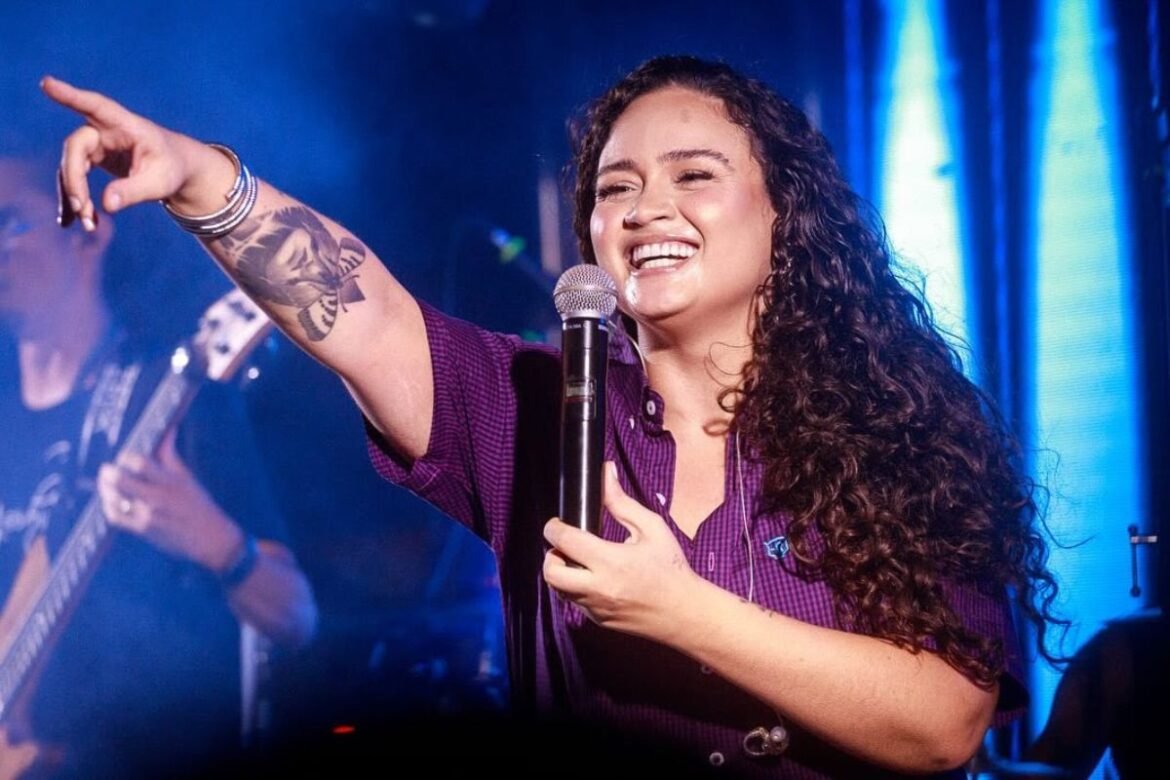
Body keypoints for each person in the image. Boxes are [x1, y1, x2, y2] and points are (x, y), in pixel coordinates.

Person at [40, 53, 1066, 778]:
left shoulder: (898, 426)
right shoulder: (537, 404)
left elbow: (946, 721)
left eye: (694, 176)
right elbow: (365, 313)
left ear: (784, 214)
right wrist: (202, 181)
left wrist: (683, 611)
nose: (644, 208)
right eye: (615, 189)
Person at [0, 153, 318, 779]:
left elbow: (297, 617)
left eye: (11, 223)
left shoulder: (172, 400)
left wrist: (216, 542)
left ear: (89, 232)